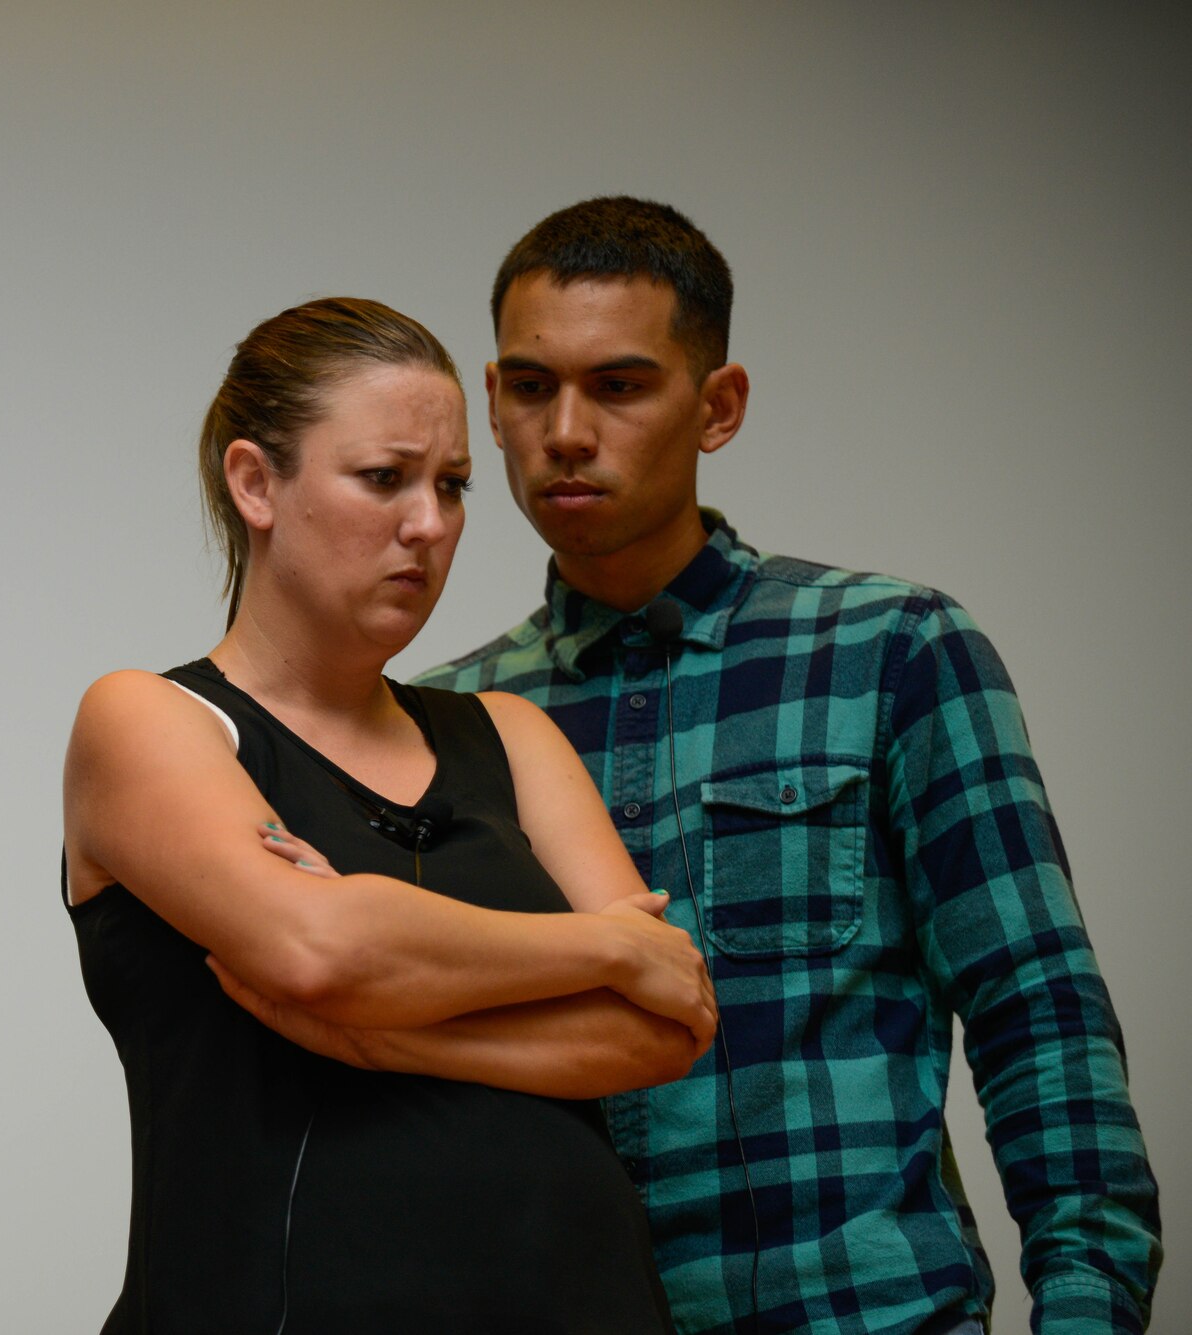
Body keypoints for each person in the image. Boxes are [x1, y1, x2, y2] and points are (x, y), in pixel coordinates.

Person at [415, 197, 1162, 1333]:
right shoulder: (446, 722)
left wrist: (1081, 1313)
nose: (564, 430)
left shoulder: (891, 650)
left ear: (716, 408)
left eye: (618, 386)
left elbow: (1038, 1015)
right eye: (529, 387)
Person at [62, 296, 720, 1333]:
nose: (429, 524)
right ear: (254, 483)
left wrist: (394, 1041)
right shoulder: (149, 720)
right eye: (384, 479)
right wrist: (602, 945)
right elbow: (318, 952)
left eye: (451, 486)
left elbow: (660, 1027)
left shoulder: (507, 734)